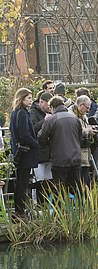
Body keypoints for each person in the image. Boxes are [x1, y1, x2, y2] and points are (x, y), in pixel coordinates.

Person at [38, 96, 83, 190]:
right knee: (76, 189)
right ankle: (79, 204)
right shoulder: (74, 118)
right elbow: (80, 138)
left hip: (59, 159)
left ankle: (62, 205)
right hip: (76, 158)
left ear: (52, 107)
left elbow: (42, 138)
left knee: (59, 190)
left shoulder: (51, 119)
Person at [9, 88, 39, 216]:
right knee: (22, 183)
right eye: (28, 98)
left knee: (21, 182)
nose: (31, 101)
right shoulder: (21, 113)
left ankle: (19, 210)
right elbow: (24, 135)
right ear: (21, 99)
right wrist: (36, 144)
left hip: (19, 152)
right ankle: (20, 210)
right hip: (25, 153)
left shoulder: (16, 112)